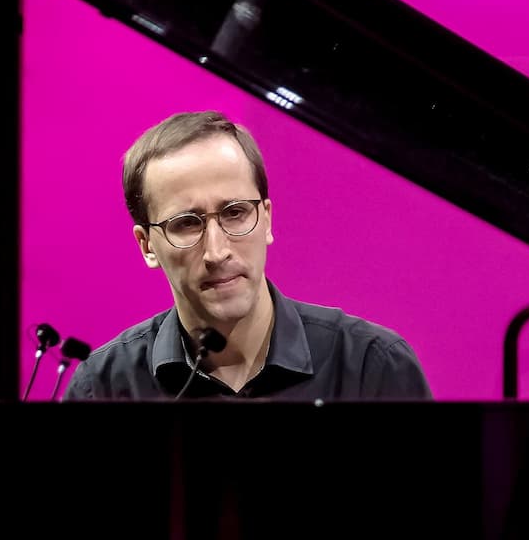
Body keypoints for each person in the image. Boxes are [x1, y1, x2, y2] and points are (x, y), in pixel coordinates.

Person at [62, 110, 431, 401]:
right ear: (147, 246)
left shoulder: (372, 366)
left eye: (235, 213)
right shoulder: (104, 386)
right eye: (187, 224)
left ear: (266, 219)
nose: (216, 251)